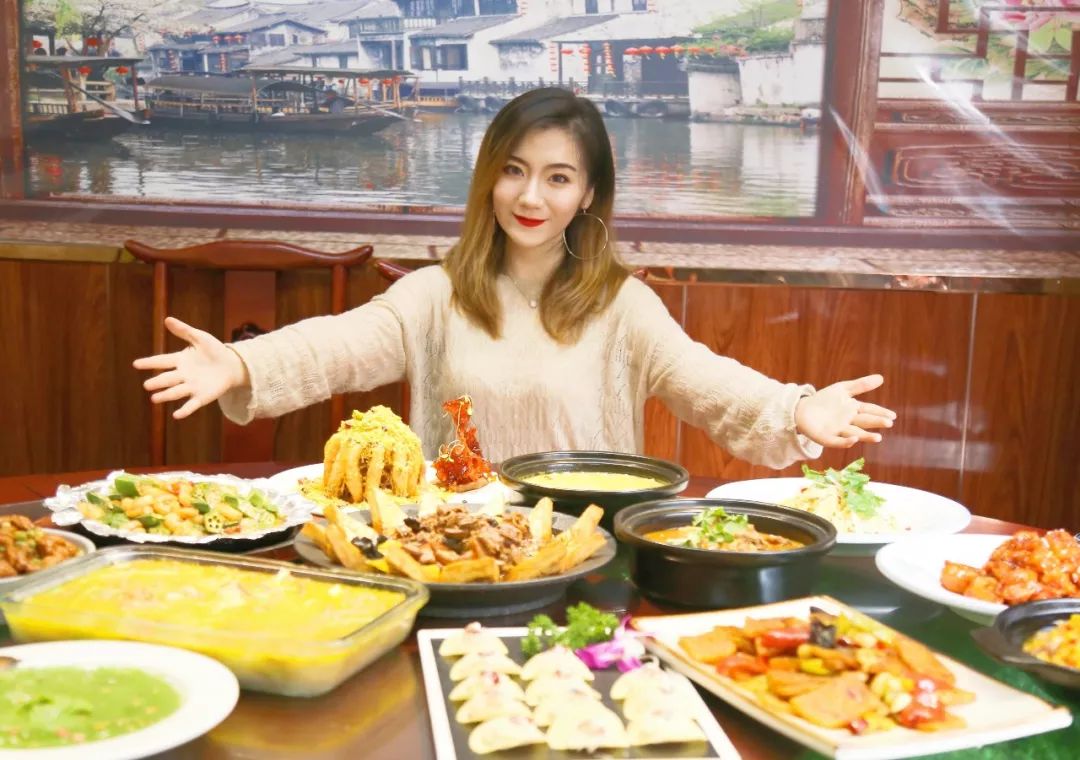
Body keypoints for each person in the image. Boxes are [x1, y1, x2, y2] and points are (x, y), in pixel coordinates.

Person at [134, 88, 895, 468]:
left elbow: (707, 382)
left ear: (588, 194)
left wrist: (797, 408)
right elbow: (336, 346)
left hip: (585, 553)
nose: (531, 197)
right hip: (451, 553)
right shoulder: (434, 295)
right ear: (489, 178)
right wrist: (240, 363)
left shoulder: (624, 306)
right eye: (514, 171)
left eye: (558, 178)